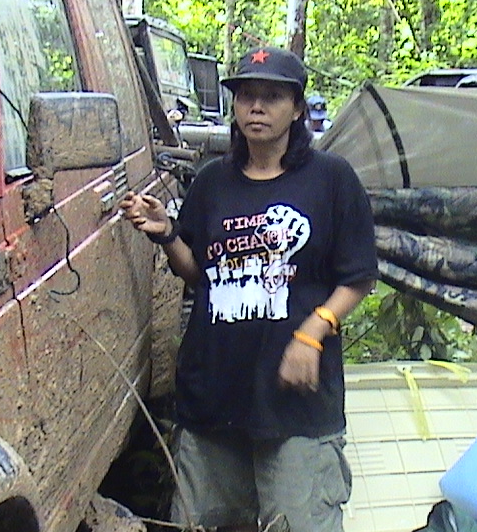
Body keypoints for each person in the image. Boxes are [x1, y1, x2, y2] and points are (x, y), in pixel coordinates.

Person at [121, 45, 378, 532]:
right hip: (214, 393)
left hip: (294, 404)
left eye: (272, 97)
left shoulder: (330, 179)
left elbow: (358, 275)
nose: (256, 107)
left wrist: (312, 333)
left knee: (297, 522)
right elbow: (201, 275)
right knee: (207, 524)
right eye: (246, 97)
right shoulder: (213, 182)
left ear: (297, 108)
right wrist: (167, 234)